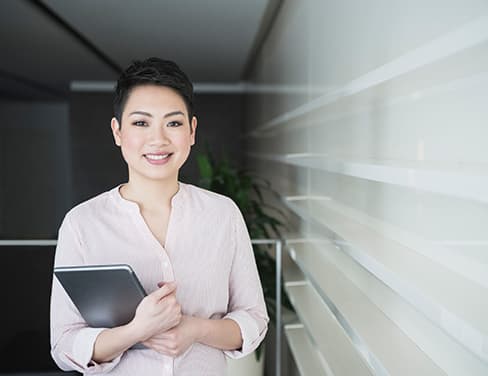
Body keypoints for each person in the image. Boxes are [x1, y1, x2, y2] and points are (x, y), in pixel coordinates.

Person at [50, 57, 269, 375]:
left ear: (192, 131)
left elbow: (254, 319)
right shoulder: (81, 224)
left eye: (174, 123)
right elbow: (64, 344)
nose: (159, 139)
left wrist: (194, 329)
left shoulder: (223, 215)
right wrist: (136, 332)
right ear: (118, 132)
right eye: (141, 123)